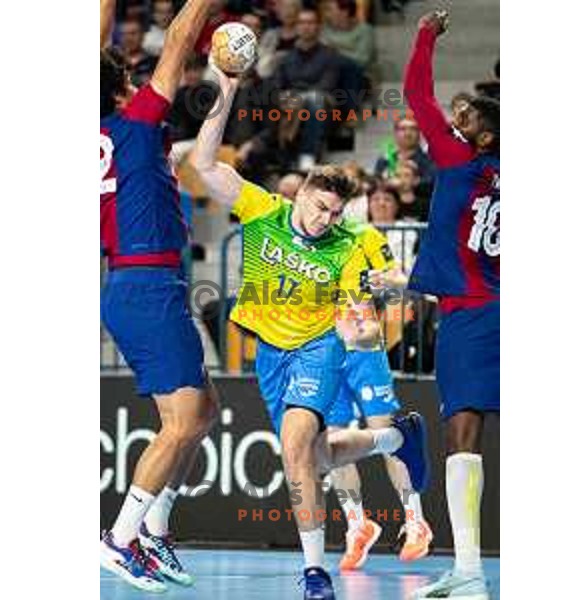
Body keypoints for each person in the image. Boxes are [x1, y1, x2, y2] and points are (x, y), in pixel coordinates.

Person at [192, 62, 430, 600]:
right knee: (316, 457)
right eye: (320, 208)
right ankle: (395, 437)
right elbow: (204, 165)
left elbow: (377, 297)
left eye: (334, 211)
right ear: (299, 195)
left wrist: (370, 307)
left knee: (298, 449)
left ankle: (315, 572)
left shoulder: (348, 242)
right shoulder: (263, 210)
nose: (325, 219)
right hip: (270, 354)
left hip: (318, 349)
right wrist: (225, 91)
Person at [100, 0, 217, 592]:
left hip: (139, 283)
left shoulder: (102, 127)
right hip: (146, 284)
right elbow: (179, 37)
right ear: (121, 87)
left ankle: (154, 529)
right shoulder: (137, 122)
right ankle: (120, 537)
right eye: (125, 74)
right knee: (183, 422)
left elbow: (96, 58)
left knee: (203, 412)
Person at [384, 11, 500, 599]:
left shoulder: (457, 161)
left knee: (463, 439)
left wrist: (426, 32)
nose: (455, 120)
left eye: (466, 118)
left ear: (481, 138)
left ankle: (471, 571)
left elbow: (414, 93)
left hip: (471, 316)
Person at [325, 223, 433, 571]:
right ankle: (358, 526)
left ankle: (415, 521)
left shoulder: (365, 235)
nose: (327, 214)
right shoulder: (302, 242)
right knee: (331, 442)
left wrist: (386, 282)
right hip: (323, 352)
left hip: (364, 345)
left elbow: (400, 279)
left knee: (387, 433)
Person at [274, 8, 341, 171]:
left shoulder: (330, 55)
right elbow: (277, 85)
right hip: (290, 100)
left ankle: (307, 154)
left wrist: (298, 96)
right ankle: (278, 154)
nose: (306, 27)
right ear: (296, 27)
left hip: (323, 101)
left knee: (314, 98)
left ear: (318, 26)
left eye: (310, 22)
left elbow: (327, 85)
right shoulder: (286, 57)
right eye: (302, 23)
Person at [374, 118, 436, 192]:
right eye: (403, 129)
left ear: (419, 134)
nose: (408, 133)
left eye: (413, 129)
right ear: (395, 133)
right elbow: (376, 183)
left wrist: (406, 183)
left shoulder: (430, 160)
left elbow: (432, 183)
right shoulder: (384, 160)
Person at [119, 18, 158, 87]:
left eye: (133, 33)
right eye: (124, 34)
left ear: (143, 35)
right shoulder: (113, 62)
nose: (128, 38)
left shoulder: (155, 61)